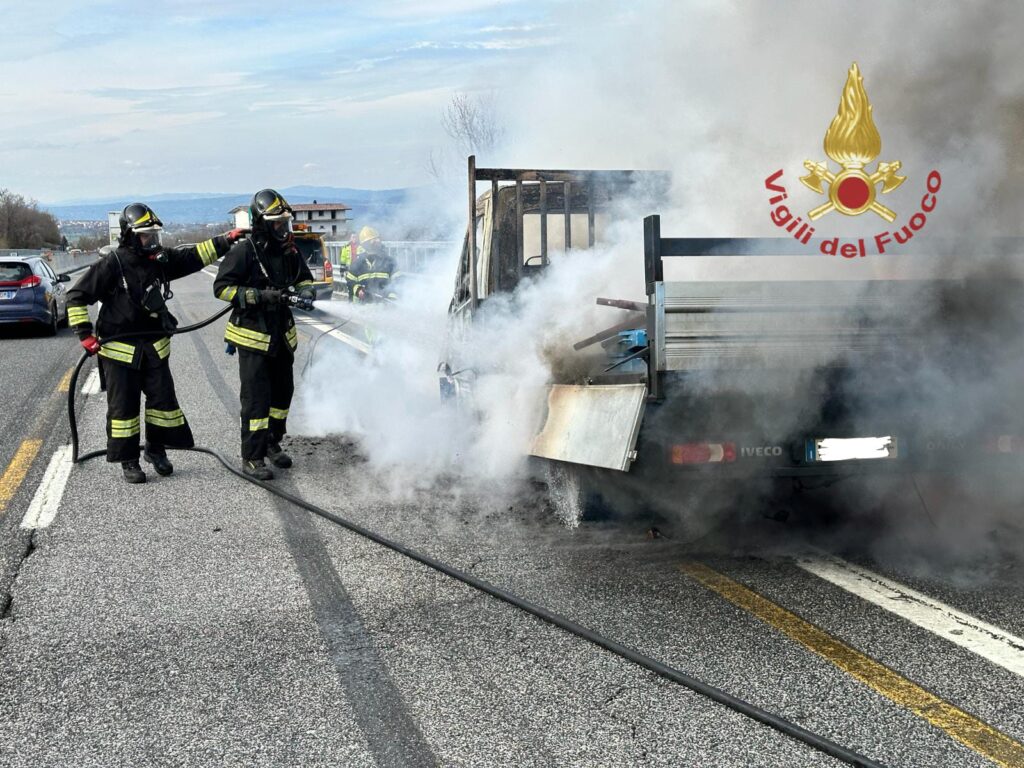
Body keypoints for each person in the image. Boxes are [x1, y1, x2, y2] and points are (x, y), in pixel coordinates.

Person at [67, 203, 243, 483]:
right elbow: (76, 296)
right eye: (146, 235)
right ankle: (129, 461)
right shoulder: (113, 264)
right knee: (123, 410)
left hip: (154, 349)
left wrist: (226, 240)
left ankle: (156, 450)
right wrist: (85, 335)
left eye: (154, 235)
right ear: (130, 236)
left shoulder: (160, 261)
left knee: (163, 405)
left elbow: (193, 256)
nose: (152, 240)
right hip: (119, 352)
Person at [213, 189, 316, 480]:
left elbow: (305, 278)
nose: (283, 228)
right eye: (277, 223)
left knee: (282, 396)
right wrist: (258, 296)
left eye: (286, 222)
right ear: (262, 223)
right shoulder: (244, 252)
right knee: (257, 400)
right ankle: (252, 456)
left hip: (281, 335)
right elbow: (222, 288)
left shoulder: (289, 250)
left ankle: (272, 442)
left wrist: (306, 293)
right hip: (253, 337)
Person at [346, 226, 400, 302]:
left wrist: (392, 296)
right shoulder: (358, 263)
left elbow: (398, 281)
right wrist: (358, 290)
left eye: (378, 238)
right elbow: (350, 282)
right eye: (374, 239)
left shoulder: (389, 261)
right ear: (366, 244)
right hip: (361, 309)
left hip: (384, 308)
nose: (378, 241)